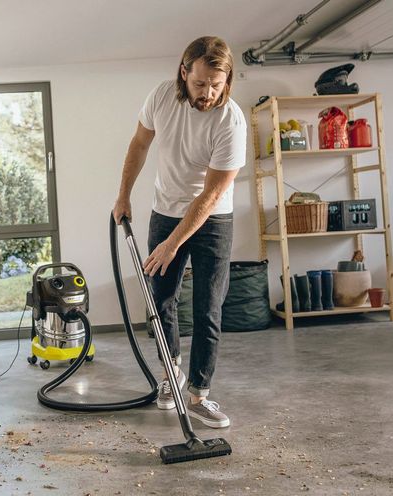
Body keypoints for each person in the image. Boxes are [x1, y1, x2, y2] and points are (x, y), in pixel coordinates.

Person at [113, 36, 246, 428]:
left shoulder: (231, 121)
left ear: (227, 81)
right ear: (184, 72)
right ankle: (171, 376)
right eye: (201, 83)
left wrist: (174, 244)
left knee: (208, 307)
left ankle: (200, 394)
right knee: (161, 299)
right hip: (165, 211)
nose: (208, 94)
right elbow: (139, 144)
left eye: (216, 85)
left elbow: (213, 192)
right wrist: (123, 196)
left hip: (213, 218)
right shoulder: (160, 97)